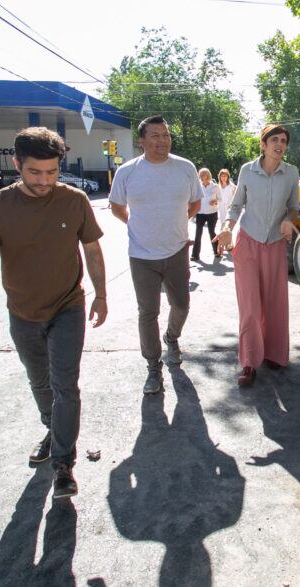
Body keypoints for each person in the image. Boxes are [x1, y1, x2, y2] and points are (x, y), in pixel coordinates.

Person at [0, 127, 108, 500]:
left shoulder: (75, 200)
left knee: (66, 386)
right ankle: (53, 428)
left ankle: (63, 463)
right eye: (35, 172)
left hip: (68, 307)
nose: (45, 180)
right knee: (40, 383)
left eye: (52, 172)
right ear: (16, 164)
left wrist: (101, 295)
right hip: (23, 312)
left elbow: (93, 252)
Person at [109, 115, 202, 396]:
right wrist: (135, 225)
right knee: (147, 312)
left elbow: (196, 202)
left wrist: (175, 224)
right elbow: (116, 206)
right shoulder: (127, 172)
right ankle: (153, 366)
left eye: (166, 135)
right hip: (141, 255)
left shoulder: (185, 168)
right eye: (155, 135)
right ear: (142, 141)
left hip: (176, 251)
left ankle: (171, 338)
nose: (163, 140)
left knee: (181, 305)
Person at [215, 124, 300, 387]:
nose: (279, 144)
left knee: (276, 302)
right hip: (248, 244)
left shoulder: (291, 173)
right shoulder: (247, 171)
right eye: (274, 140)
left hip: (275, 244)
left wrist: (288, 220)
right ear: (263, 144)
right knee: (250, 305)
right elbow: (236, 205)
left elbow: (294, 207)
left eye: (283, 141)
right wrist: (227, 228)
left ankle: (274, 353)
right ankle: (250, 361)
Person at [192, 167, 221, 263]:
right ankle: (195, 255)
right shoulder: (197, 186)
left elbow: (220, 199)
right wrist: (192, 212)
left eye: (205, 174)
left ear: (208, 175)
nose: (204, 176)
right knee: (198, 233)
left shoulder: (215, 186)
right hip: (200, 213)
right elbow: (194, 199)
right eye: (201, 175)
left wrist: (215, 201)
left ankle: (217, 251)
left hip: (212, 213)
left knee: (212, 232)